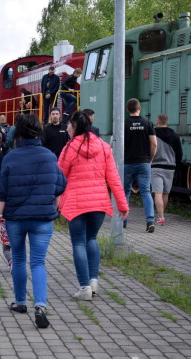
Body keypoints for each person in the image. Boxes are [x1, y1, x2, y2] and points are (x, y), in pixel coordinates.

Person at [0, 114, 66, 328]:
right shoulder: (49, 157)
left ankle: (20, 302)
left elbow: (1, 194)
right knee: (38, 262)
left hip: (15, 219)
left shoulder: (11, 158)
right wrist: (55, 204)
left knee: (18, 257)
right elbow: (60, 185)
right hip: (42, 218)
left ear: (18, 133)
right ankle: (40, 306)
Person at [57, 111, 129, 300]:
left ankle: (84, 287)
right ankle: (94, 281)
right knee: (92, 239)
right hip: (99, 202)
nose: (66, 128)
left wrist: (53, 199)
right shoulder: (104, 147)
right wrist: (122, 204)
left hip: (76, 203)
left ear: (75, 127)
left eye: (69, 125)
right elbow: (113, 178)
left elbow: (59, 177)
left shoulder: (69, 148)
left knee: (78, 242)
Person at [123, 98, 157, 232]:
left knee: (125, 192)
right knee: (146, 192)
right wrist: (150, 159)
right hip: (143, 163)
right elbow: (154, 144)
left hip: (127, 163)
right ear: (140, 108)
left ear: (127, 109)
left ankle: (123, 221)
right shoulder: (147, 123)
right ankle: (150, 222)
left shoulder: (123, 123)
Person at [151, 114, 182, 225]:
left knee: (157, 194)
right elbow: (179, 153)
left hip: (156, 166)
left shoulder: (152, 133)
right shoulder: (174, 136)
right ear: (166, 122)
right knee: (165, 194)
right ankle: (161, 215)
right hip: (170, 168)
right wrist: (176, 166)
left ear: (157, 121)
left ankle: (161, 217)